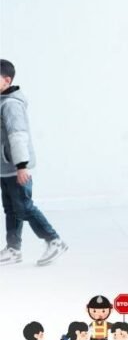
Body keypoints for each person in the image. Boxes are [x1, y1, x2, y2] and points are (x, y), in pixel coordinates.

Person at [0, 59, 68, 266]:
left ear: (7, 80)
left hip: (16, 168)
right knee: (11, 209)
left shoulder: (11, 105)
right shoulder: (2, 101)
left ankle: (54, 240)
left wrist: (21, 166)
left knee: (24, 207)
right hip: (5, 168)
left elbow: (18, 136)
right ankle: (13, 249)